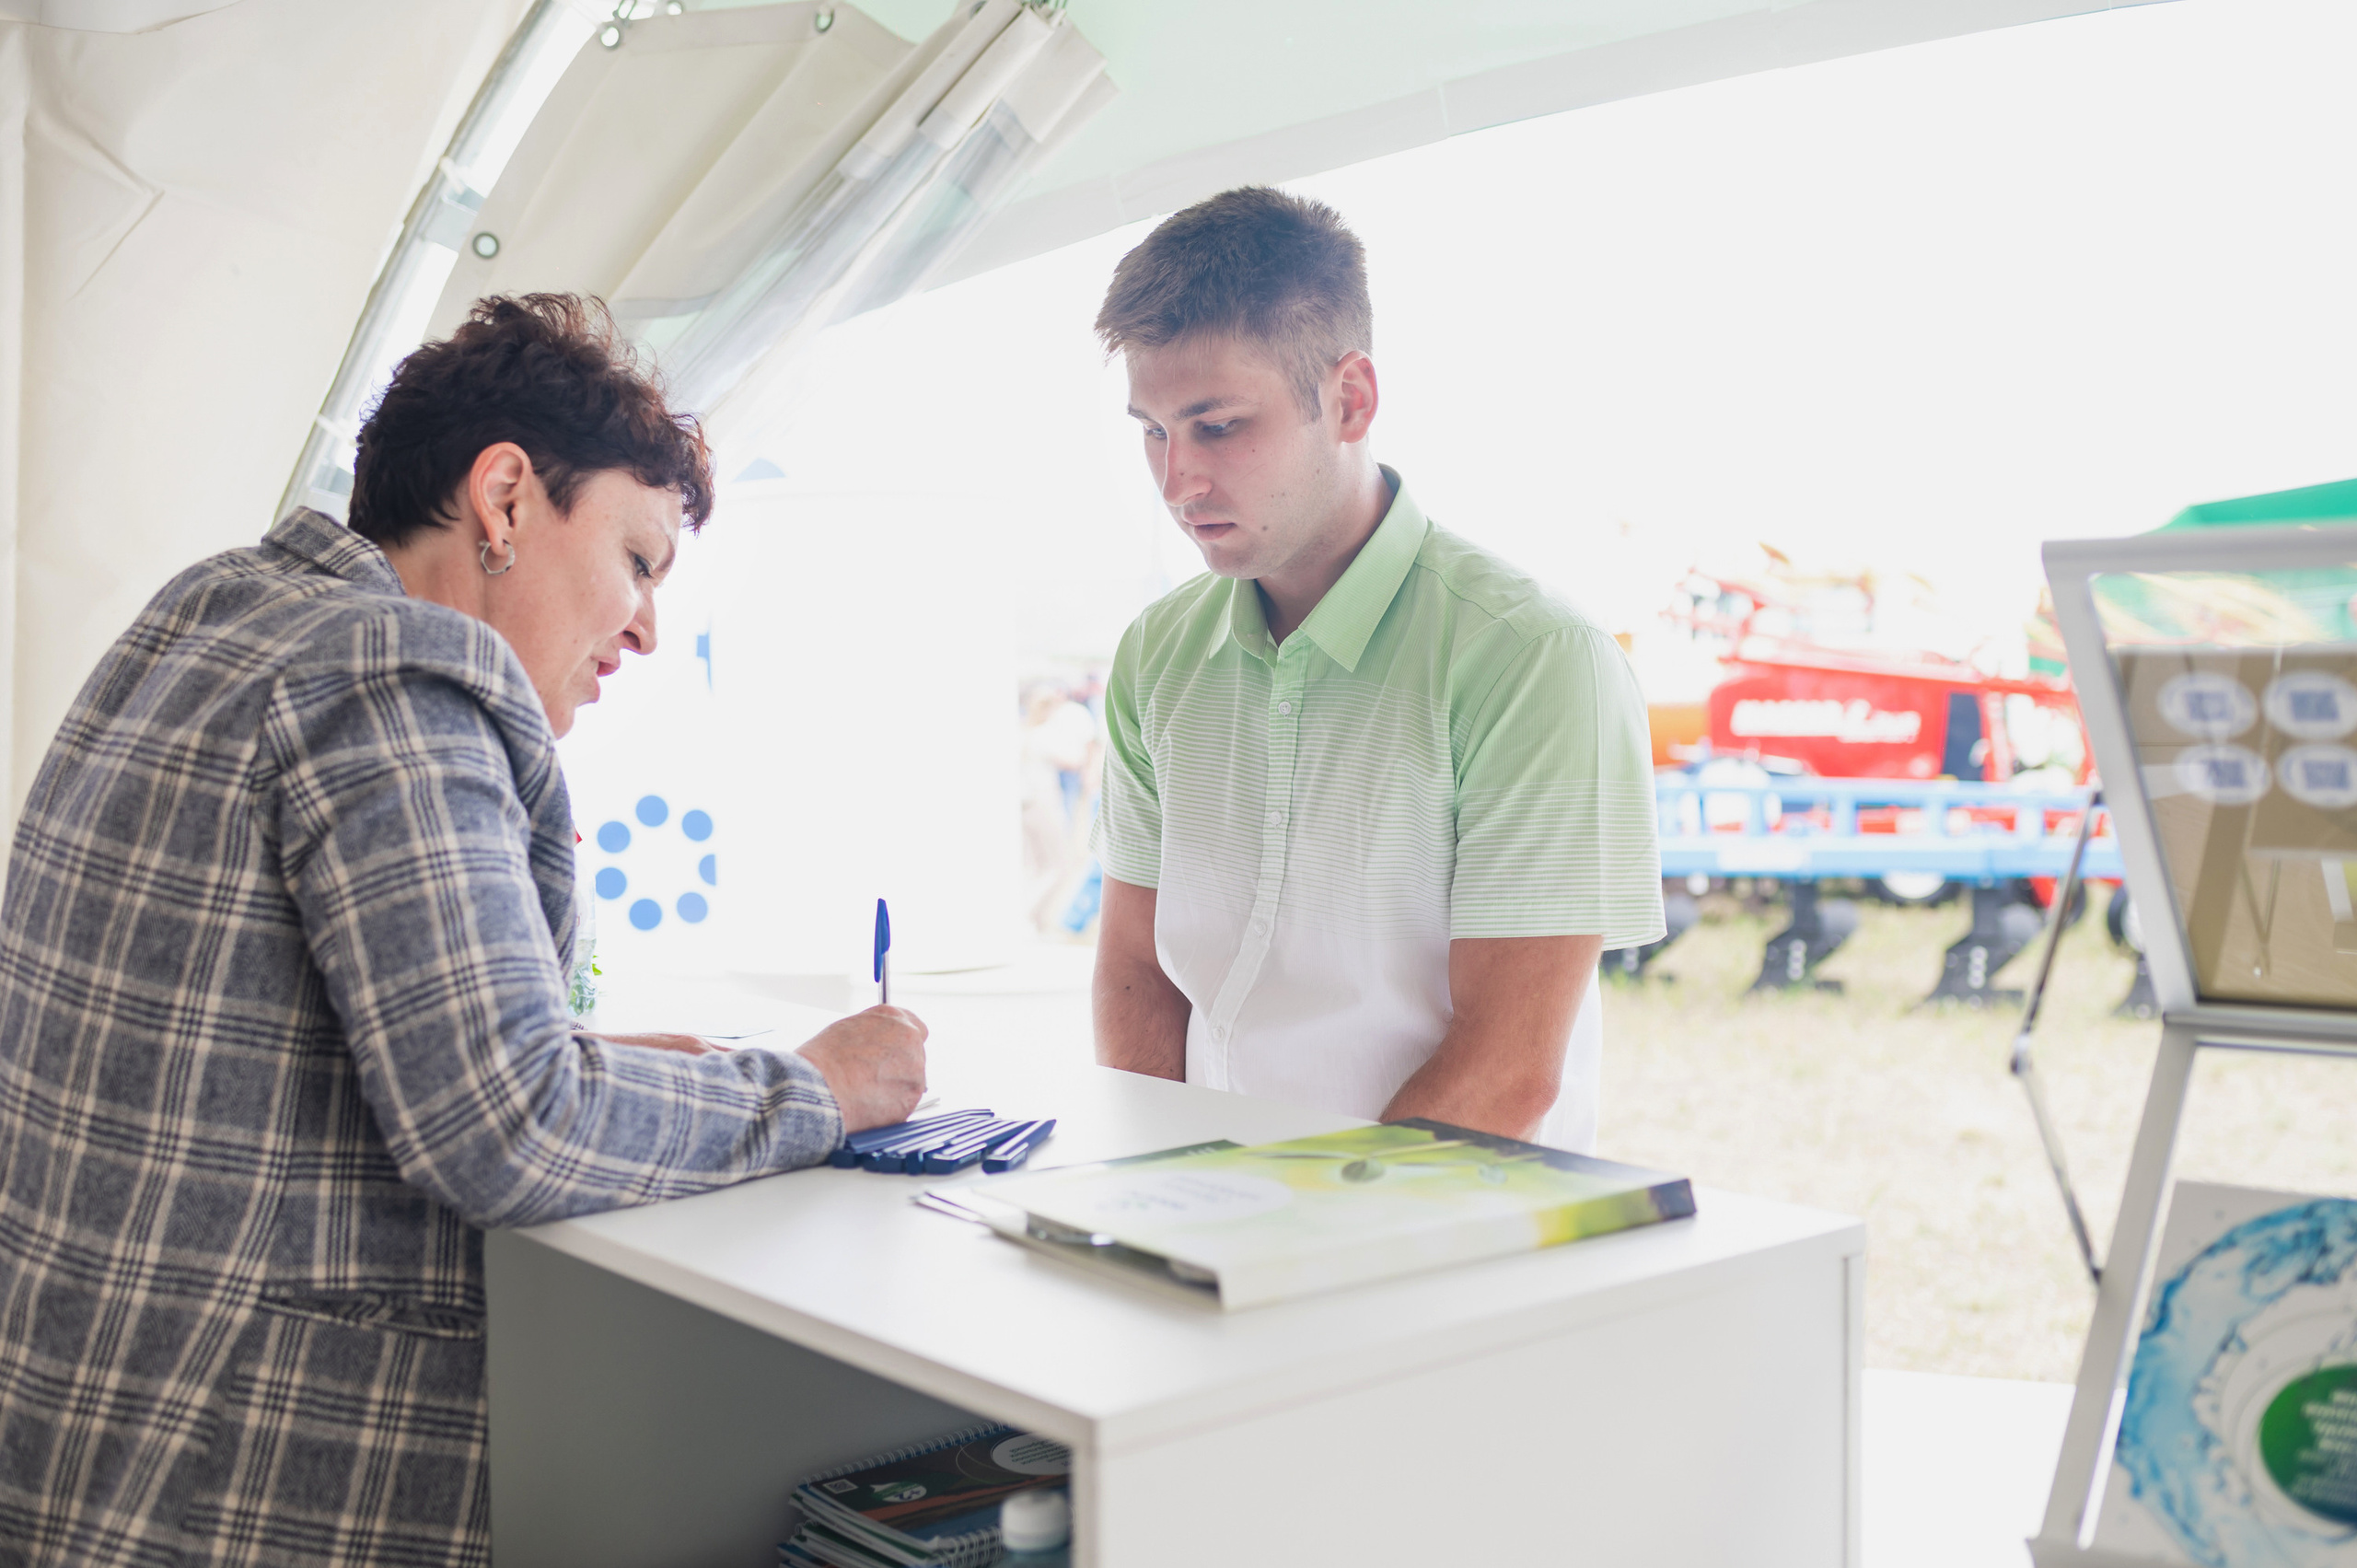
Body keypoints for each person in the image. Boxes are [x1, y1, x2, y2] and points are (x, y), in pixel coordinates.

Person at [0, 295, 927, 1566]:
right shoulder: (394, 672)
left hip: (73, 1427)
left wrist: (584, 1057)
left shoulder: (211, 615)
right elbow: (507, 1123)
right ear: (503, 499)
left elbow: (258, 1029)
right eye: (638, 559)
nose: (647, 626)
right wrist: (814, 1086)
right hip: (242, 1480)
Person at [1088, 188, 1663, 1149]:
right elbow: (1137, 977)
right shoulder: (1158, 653)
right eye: (1152, 429)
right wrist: (1163, 1192)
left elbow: (1507, 1072)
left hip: (1443, 1221)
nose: (1177, 481)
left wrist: (1297, 1221)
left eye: (1216, 425)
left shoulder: (1532, 659)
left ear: (1350, 400)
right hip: (1209, 1208)